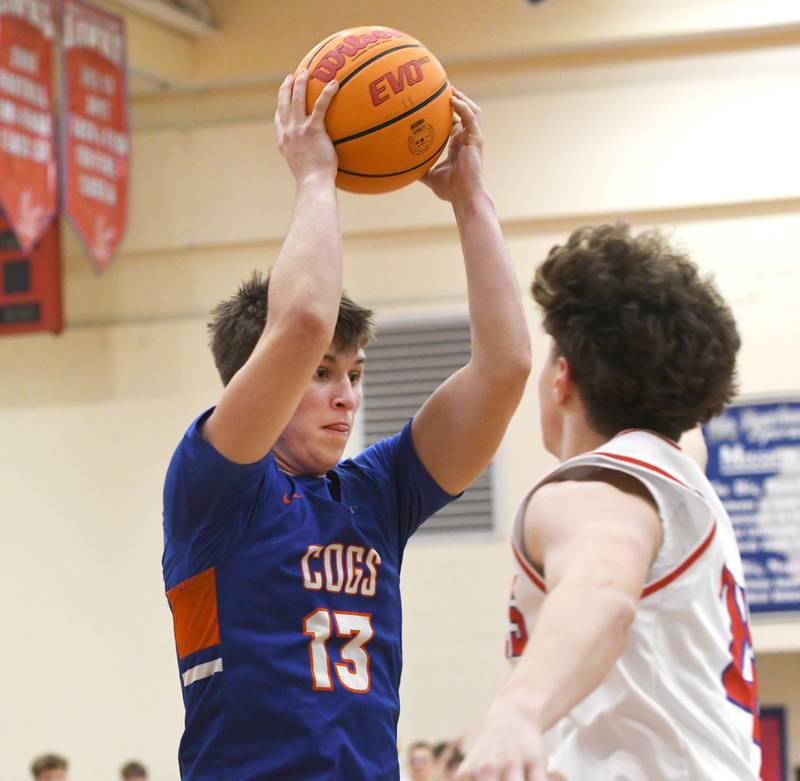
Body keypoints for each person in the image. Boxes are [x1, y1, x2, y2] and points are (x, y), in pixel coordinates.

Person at [161, 70, 530, 780]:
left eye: (354, 375)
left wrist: (470, 199)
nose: (347, 398)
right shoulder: (212, 486)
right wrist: (314, 178)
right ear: (259, 379)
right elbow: (302, 320)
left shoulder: (376, 493)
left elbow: (506, 368)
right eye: (322, 374)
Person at [457, 224, 759, 780]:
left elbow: (602, 590)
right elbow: (684, 422)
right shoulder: (680, 465)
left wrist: (517, 711)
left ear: (562, 378)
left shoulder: (596, 490)